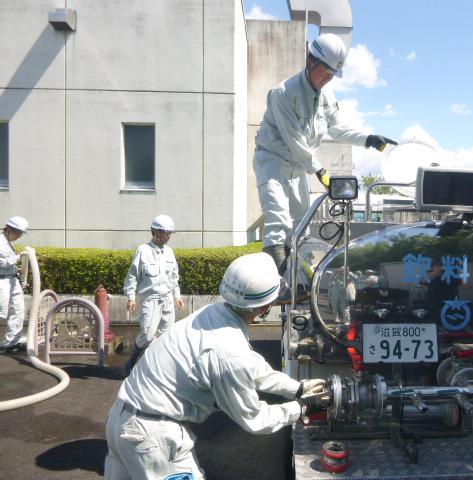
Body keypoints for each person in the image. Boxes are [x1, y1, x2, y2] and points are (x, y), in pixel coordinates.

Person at [104, 252, 328, 479]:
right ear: (264, 308)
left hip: (120, 419)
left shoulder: (214, 314)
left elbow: (253, 367)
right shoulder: (228, 353)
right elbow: (255, 419)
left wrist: (298, 388)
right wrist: (302, 407)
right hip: (153, 438)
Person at [253, 33, 397, 277]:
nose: (328, 78)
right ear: (311, 62)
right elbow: (294, 139)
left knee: (300, 225)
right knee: (277, 221)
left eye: (333, 74)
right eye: (326, 71)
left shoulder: (326, 96)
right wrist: (320, 170)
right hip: (273, 163)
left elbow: (337, 129)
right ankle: (273, 288)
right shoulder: (283, 93)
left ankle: (299, 283)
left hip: (298, 168)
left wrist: (367, 138)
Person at [123, 215, 185, 375]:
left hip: (167, 300)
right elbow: (132, 276)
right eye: (165, 233)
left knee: (166, 336)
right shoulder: (143, 250)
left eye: (170, 233)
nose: (168, 237)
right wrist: (131, 297)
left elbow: (174, 277)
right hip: (150, 301)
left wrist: (177, 296)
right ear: (155, 232)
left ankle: (159, 369)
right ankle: (133, 358)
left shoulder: (169, 252)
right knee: (147, 335)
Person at [0, 216, 29, 353]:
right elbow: (3, 263)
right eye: (18, 233)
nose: (19, 236)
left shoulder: (7, 242)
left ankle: (12, 343)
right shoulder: (0, 242)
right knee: (2, 313)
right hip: (2, 281)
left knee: (17, 311)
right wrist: (20, 256)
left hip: (12, 280)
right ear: (9, 229)